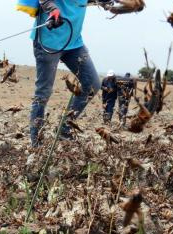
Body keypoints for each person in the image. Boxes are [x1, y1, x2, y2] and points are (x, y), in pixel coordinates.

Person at [29, 0, 111, 147]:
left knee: (92, 84)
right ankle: (36, 144)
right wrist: (51, 8)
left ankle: (64, 130)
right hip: (49, 41)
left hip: (74, 42)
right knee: (43, 93)